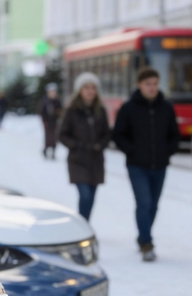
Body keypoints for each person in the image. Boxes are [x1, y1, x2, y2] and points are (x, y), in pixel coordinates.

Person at [112, 67, 180, 262]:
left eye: (155, 84)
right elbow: (118, 134)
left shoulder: (166, 107)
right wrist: (131, 150)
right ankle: (147, 242)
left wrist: (168, 150)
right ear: (139, 85)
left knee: (154, 205)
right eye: (148, 84)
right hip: (137, 165)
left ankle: (143, 235)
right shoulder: (129, 108)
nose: (152, 88)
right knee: (144, 202)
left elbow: (174, 134)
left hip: (160, 164)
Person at [58, 73, 111, 221]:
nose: (90, 91)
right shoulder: (72, 110)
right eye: (86, 87)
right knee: (85, 195)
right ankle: (83, 225)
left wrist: (100, 145)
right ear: (79, 90)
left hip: (96, 161)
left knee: (92, 196)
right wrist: (76, 145)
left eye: (93, 87)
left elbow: (107, 134)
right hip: (78, 161)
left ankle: (84, 224)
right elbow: (62, 134)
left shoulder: (101, 110)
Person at [37, 83, 63, 159]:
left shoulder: (57, 101)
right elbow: (40, 110)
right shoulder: (44, 101)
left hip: (55, 122)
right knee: (48, 137)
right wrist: (44, 119)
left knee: (55, 137)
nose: (52, 93)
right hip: (47, 122)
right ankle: (46, 149)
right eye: (51, 92)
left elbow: (61, 111)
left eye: (54, 92)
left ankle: (53, 151)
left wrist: (58, 113)